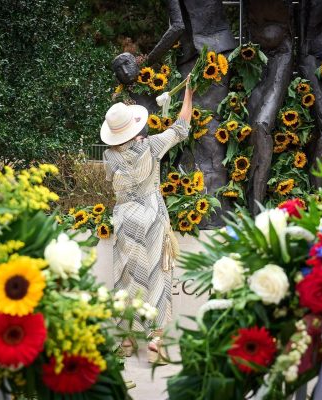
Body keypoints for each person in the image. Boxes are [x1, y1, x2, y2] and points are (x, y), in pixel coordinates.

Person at [101, 76, 193, 364]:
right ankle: (156, 341)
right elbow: (182, 127)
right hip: (151, 216)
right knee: (158, 276)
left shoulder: (108, 155)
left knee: (127, 278)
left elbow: (113, 181)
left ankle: (126, 340)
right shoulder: (152, 146)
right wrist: (188, 92)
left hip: (125, 218)